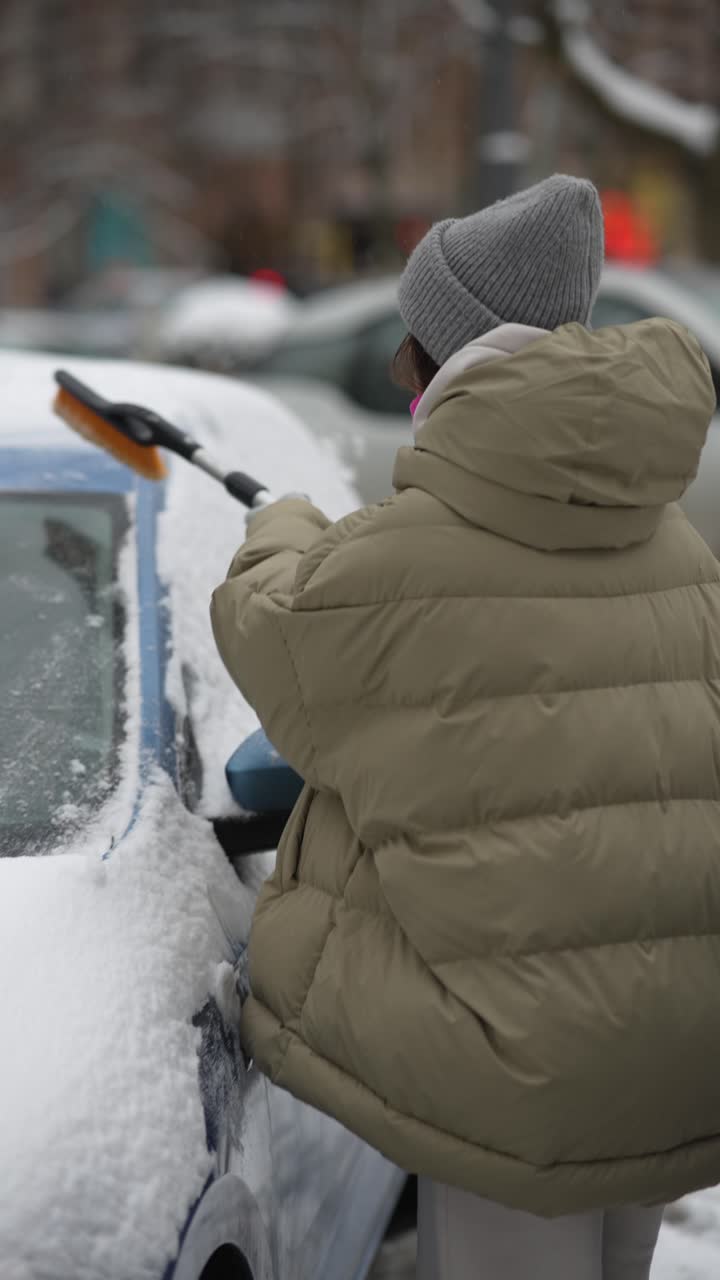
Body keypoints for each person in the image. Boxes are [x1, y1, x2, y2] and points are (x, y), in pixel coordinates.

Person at [210, 175, 720, 1280]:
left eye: (411, 338)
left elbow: (269, 631)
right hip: (678, 1038)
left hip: (517, 1067)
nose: (399, 361)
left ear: (445, 355)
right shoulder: (677, 540)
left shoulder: (403, 553)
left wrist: (282, 521)